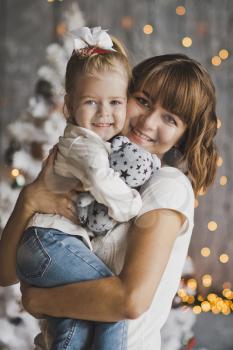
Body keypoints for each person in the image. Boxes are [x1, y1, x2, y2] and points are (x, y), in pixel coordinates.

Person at [0, 53, 218, 350]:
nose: (148, 121)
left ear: (183, 135)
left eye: (170, 118)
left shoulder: (166, 185)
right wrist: (28, 199)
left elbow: (129, 300)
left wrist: (39, 299)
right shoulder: (92, 159)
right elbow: (5, 273)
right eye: (142, 100)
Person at [15, 26, 159, 350]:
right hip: (49, 242)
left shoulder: (97, 142)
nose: (105, 113)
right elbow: (103, 182)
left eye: (115, 102)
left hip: (45, 245)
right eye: (91, 102)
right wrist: (134, 203)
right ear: (68, 105)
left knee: (74, 320)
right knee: (110, 300)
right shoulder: (85, 146)